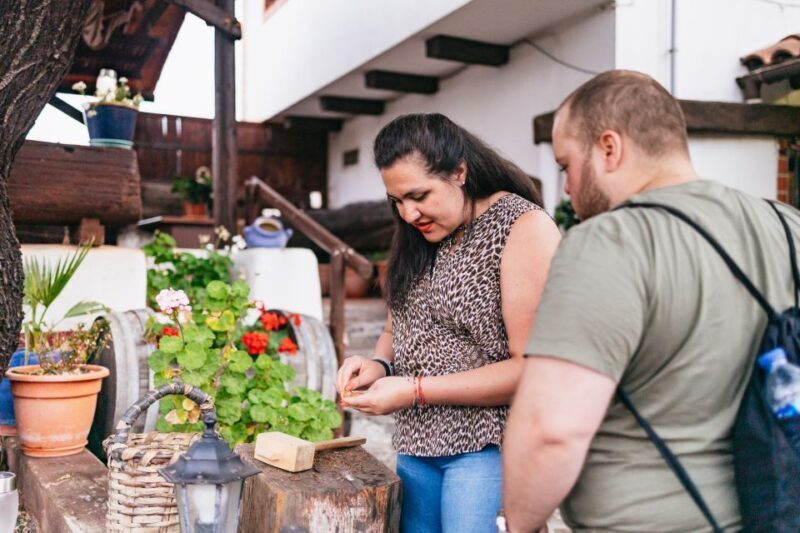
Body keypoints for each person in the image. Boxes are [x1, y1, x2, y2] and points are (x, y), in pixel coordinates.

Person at [503, 69, 800, 532]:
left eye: (566, 166)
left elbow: (551, 431)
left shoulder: (609, 241)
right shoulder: (788, 226)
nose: (566, 188)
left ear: (608, 148)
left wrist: (518, 525)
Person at [336, 113, 561, 533]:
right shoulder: (422, 231)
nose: (408, 213)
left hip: (489, 445)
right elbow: (396, 329)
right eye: (397, 201)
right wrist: (378, 366)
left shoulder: (520, 227)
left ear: (459, 171)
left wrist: (415, 391)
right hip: (417, 443)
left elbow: (532, 367)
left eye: (418, 195)